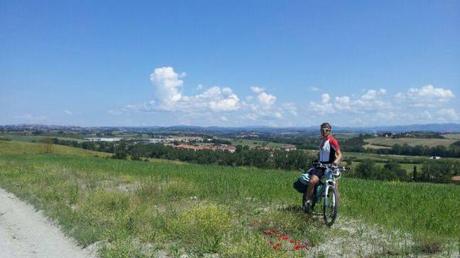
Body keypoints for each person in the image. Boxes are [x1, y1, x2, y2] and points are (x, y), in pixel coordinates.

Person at [303, 122, 342, 213]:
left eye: (326, 130)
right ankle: (307, 200)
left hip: (331, 166)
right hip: (321, 166)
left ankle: (334, 210)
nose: (324, 132)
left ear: (330, 131)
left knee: (335, 187)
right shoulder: (322, 140)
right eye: (322, 130)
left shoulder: (332, 141)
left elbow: (340, 155)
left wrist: (335, 162)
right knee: (313, 181)